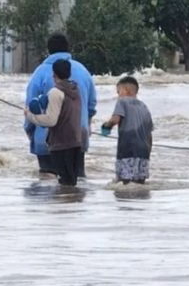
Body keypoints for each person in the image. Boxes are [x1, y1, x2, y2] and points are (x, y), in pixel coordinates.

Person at [24, 34, 95, 180]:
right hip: (77, 137)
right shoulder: (83, 71)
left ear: (48, 50)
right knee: (77, 180)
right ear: (68, 48)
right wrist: (86, 127)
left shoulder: (40, 73)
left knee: (47, 182)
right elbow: (91, 105)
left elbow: (31, 104)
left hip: (47, 139)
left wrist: (29, 129)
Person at [23, 59, 85, 187]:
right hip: (76, 141)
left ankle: (65, 200)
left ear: (54, 74)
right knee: (72, 183)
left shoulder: (55, 92)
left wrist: (30, 116)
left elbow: (51, 120)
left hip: (61, 144)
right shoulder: (76, 90)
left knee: (64, 184)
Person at [100, 76, 153, 184]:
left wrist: (106, 126)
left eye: (118, 92)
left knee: (124, 183)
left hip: (127, 149)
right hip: (143, 152)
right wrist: (148, 152)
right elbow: (149, 134)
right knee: (139, 183)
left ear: (126, 90)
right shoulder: (144, 107)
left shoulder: (122, 102)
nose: (118, 95)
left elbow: (115, 119)